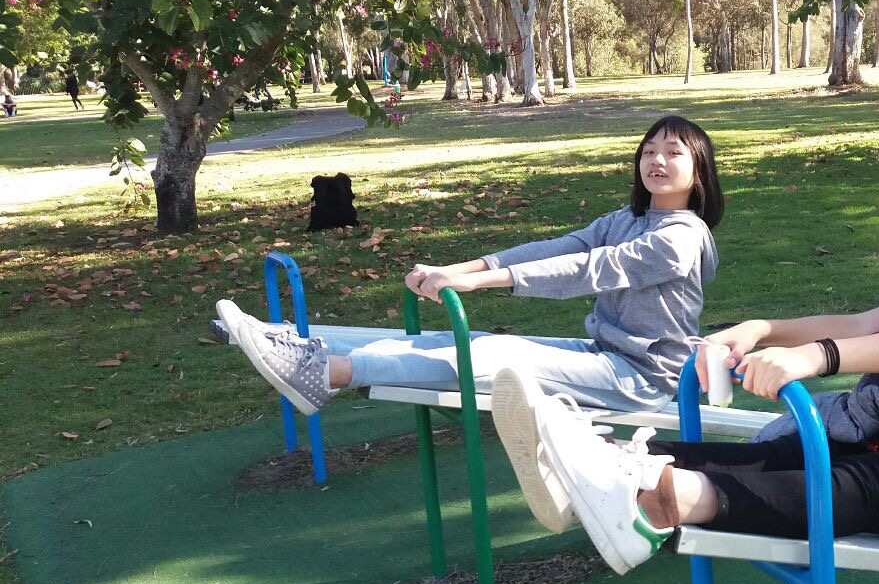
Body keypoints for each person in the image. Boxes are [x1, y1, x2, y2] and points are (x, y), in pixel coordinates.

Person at [497, 120, 879, 573]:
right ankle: (607, 464)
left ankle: (663, 503)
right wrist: (763, 330)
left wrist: (816, 358)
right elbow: (866, 324)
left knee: (874, 481)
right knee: (795, 447)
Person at [218, 113, 723, 419]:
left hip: (644, 380)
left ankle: (328, 374)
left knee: (493, 357)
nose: (657, 160)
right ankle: (301, 344)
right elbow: (559, 248)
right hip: (606, 355)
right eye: (649, 150)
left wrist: (478, 282)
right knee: (464, 340)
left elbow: (590, 268)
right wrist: (458, 267)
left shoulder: (681, 237)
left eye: (673, 152)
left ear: (698, 172)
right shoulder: (626, 219)